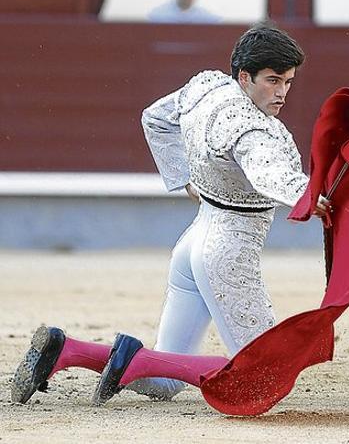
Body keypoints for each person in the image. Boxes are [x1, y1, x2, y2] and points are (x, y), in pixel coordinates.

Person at [11, 23, 330, 406]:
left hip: (193, 244)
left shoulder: (207, 87)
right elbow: (269, 174)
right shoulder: (257, 129)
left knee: (164, 381)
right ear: (245, 76)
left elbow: (155, 117)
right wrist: (311, 197)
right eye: (272, 81)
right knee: (264, 381)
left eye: (289, 82)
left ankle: (68, 351)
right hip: (227, 253)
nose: (281, 93)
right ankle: (137, 359)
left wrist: (184, 179)